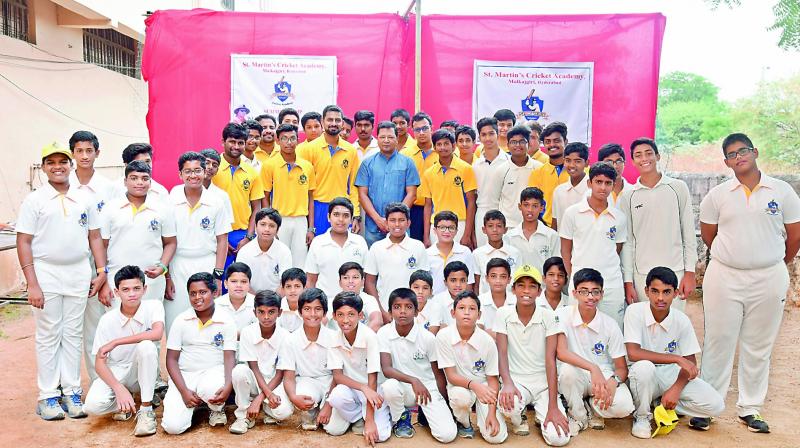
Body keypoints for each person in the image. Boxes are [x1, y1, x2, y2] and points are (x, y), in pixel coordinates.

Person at [698, 133, 800, 433]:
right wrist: (735, 256)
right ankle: (708, 405)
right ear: (726, 161)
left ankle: (750, 408)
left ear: (755, 152)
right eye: (731, 154)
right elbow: (709, 235)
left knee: (758, 344)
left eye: (743, 151)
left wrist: (776, 260)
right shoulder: (717, 195)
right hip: (725, 275)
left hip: (769, 276)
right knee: (719, 340)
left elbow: (794, 236)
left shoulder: (782, 192)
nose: (738, 157)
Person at [17, 142, 109, 420]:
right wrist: (32, 283)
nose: (58, 167)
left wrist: (101, 270)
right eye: (51, 162)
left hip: (79, 271)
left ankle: (71, 392)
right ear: (44, 167)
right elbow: (24, 240)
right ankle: (48, 396)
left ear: (70, 165)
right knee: (48, 334)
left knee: (72, 333)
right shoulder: (34, 200)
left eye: (62, 161)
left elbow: (95, 236)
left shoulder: (84, 198)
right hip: (46, 272)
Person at [625, 267, 725, 438]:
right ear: (646, 291)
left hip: (669, 374)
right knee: (645, 368)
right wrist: (676, 358)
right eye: (655, 291)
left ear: (676, 293)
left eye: (667, 292)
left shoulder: (681, 319)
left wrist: (676, 389)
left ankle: (660, 402)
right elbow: (633, 353)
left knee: (715, 405)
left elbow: (691, 363)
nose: (660, 298)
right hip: (640, 374)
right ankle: (641, 416)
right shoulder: (634, 312)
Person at [494, 265, 570, 445]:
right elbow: (501, 353)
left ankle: (543, 412)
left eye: (532, 286)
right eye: (521, 285)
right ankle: (519, 418)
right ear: (513, 290)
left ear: (539, 291)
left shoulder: (548, 316)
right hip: (517, 381)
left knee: (558, 439)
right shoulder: (503, 313)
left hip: (543, 384)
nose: (526, 291)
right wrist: (507, 383)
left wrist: (553, 406)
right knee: (509, 406)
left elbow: (550, 361)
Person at [84, 266, 163, 436]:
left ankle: (146, 408)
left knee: (147, 346)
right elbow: (99, 363)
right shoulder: (107, 320)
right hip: (117, 370)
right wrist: (118, 389)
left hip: (141, 369)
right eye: (125, 290)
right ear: (117, 292)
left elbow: (157, 333)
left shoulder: (154, 306)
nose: (132, 294)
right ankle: (125, 403)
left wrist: (115, 342)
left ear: (145, 289)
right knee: (92, 406)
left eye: (136, 288)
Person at [555, 268, 635, 435]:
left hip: (601, 379)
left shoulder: (610, 324)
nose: (590, 297)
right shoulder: (562, 315)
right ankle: (578, 415)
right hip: (575, 376)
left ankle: (592, 406)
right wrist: (593, 368)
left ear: (602, 294)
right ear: (574, 293)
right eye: (584, 291)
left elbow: (621, 368)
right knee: (568, 372)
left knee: (624, 407)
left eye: (595, 291)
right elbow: (561, 352)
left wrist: (613, 381)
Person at [620, 137, 697, 311]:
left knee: (672, 326)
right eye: (638, 155)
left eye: (649, 153)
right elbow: (628, 242)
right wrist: (628, 281)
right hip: (642, 274)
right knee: (646, 328)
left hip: (675, 270)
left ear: (658, 156)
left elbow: (688, 233)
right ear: (632, 161)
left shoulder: (678, 188)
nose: (644, 159)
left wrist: (690, 272)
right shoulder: (628, 195)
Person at [161, 272, 237, 434]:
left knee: (212, 389)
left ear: (214, 293)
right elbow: (171, 360)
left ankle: (215, 408)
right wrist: (183, 391)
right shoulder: (180, 320)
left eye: (203, 292)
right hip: (185, 375)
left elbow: (229, 356)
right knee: (173, 427)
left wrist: (228, 385)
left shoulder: (226, 320)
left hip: (213, 372)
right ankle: (193, 407)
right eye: (193, 293)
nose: (197, 297)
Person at [379, 288, 458, 442]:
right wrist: (414, 380)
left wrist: (446, 404)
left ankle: (424, 412)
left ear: (416, 312)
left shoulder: (428, 338)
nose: (402, 311)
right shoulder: (383, 333)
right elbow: (387, 369)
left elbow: (438, 374)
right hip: (400, 389)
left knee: (447, 435)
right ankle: (402, 417)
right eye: (397, 307)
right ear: (390, 312)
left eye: (408, 307)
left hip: (426, 389)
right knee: (389, 386)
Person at [68, 131, 114, 383]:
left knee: (101, 323)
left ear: (98, 152)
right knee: (75, 326)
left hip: (101, 263)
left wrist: (103, 272)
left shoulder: (109, 188)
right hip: (72, 262)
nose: (84, 156)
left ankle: (106, 381)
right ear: (72, 154)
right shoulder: (63, 185)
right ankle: (76, 382)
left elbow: (109, 233)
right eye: (79, 151)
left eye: (89, 151)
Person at [167, 152, 229, 333]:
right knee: (175, 320)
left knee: (207, 320)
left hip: (206, 262)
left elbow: (222, 240)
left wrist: (218, 276)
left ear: (205, 172)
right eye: (188, 171)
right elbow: (165, 241)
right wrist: (167, 276)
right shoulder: (170, 200)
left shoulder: (216, 202)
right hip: (177, 263)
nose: (193, 175)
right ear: (180, 174)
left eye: (197, 170)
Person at [560, 163, 627, 329]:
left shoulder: (619, 217)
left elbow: (617, 249)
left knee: (613, 330)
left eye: (608, 183)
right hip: (580, 284)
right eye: (598, 182)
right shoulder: (572, 213)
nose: (603, 187)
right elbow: (565, 250)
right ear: (590, 183)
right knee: (577, 331)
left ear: (613, 185)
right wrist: (576, 276)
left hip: (611, 284)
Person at [436, 291, 507, 443]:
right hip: (460, 387)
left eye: (472, 309)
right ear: (453, 313)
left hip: (484, 387)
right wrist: (474, 386)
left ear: (479, 314)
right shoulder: (444, 336)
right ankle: (464, 423)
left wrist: (492, 414)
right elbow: (451, 376)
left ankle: (487, 416)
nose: (467, 313)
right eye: (461, 308)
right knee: (460, 397)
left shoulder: (487, 341)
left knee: (496, 438)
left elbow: (493, 379)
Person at [102, 161, 177, 304]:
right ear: (125, 181)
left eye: (144, 178)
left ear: (150, 181)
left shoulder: (162, 209)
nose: (139, 183)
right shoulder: (110, 208)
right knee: (120, 324)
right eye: (134, 178)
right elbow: (102, 246)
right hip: (117, 279)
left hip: (151, 281)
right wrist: (104, 280)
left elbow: (170, 243)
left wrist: (162, 267)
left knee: (150, 324)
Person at [324, 292, 392, 444]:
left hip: (375, 391)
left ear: (360, 315)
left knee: (380, 436)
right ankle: (358, 418)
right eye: (340, 314)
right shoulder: (334, 338)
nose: (345, 320)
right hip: (353, 389)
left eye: (351, 314)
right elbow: (338, 376)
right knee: (333, 427)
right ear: (334, 316)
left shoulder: (370, 337)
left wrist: (370, 420)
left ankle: (373, 416)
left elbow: (372, 380)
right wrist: (363, 388)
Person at [230, 290, 293, 434]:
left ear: (280, 312)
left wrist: (263, 397)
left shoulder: (285, 336)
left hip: (275, 383)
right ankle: (243, 416)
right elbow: (253, 367)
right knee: (239, 371)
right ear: (254, 312)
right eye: (261, 312)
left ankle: (264, 406)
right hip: (253, 379)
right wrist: (265, 395)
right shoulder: (247, 332)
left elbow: (279, 373)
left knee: (284, 413)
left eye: (271, 312)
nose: (266, 317)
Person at [276, 288, 336, 431]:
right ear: (300, 312)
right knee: (284, 407)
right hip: (307, 381)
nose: (313, 314)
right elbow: (289, 377)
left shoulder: (334, 338)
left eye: (318, 309)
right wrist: (293, 397)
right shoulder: (291, 340)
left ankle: (327, 410)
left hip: (332, 383)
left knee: (334, 429)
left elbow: (339, 376)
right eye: (307, 309)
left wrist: (328, 404)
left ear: (325, 313)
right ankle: (310, 411)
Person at [297, 105, 362, 236]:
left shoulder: (351, 151)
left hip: (342, 208)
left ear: (342, 123)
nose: (333, 123)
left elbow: (354, 185)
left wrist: (355, 214)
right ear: (322, 122)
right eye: (329, 120)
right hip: (316, 208)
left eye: (337, 120)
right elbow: (300, 185)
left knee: (341, 250)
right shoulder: (307, 149)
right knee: (317, 250)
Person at [356, 121, 419, 246]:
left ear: (397, 139)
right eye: (382, 137)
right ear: (377, 139)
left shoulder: (408, 163)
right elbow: (362, 195)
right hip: (374, 226)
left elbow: (412, 194)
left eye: (390, 137)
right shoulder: (366, 164)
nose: (386, 140)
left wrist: (396, 220)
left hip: (400, 227)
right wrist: (378, 220)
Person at [261, 123, 316, 268]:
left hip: (300, 220)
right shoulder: (269, 165)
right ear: (277, 141)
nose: (289, 142)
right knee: (278, 261)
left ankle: (298, 290)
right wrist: (271, 222)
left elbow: (311, 198)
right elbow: (265, 196)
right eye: (284, 139)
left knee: (300, 263)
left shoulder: (307, 166)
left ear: (298, 140)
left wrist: (311, 228)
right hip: (280, 220)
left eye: (292, 138)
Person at [364, 202, 430, 319]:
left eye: (401, 220)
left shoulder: (418, 246)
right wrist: (382, 312)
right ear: (386, 223)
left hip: (413, 312)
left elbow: (424, 282)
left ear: (408, 223)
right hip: (386, 309)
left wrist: (417, 310)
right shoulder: (377, 248)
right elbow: (370, 282)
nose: (397, 224)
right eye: (393, 220)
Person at [212, 122, 264, 269]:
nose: (236, 146)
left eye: (240, 142)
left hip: (242, 234)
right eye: (232, 142)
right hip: (216, 233)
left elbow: (256, 208)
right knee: (219, 281)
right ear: (223, 142)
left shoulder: (252, 172)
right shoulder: (212, 168)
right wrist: (220, 239)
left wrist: (248, 237)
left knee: (243, 279)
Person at [420, 129, 478, 247]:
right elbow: (428, 205)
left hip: (459, 223)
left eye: (446, 143)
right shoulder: (429, 173)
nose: (443, 147)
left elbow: (471, 203)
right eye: (439, 144)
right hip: (436, 225)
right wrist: (426, 235)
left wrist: (467, 234)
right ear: (435, 148)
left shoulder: (466, 169)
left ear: (453, 146)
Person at [305, 197, 368, 296]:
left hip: (354, 303)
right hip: (326, 304)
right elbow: (311, 281)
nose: (341, 219)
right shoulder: (318, 243)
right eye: (336, 215)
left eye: (346, 215)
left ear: (351, 220)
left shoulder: (360, 242)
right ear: (329, 217)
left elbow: (366, 278)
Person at [235, 207, 292, 293]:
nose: (266, 229)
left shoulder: (284, 251)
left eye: (272, 226)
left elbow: (285, 283)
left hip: (276, 300)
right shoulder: (245, 251)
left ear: (277, 230)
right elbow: (241, 282)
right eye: (263, 224)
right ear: (256, 226)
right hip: (251, 299)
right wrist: (257, 302)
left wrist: (273, 301)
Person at [473, 117, 510, 247]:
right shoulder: (475, 165)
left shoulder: (508, 162)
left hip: (504, 215)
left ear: (498, 133)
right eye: (483, 135)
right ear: (479, 137)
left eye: (491, 133)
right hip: (481, 215)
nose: (487, 138)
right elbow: (473, 198)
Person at [400, 112, 437, 241]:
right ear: (412, 131)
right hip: (413, 208)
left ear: (432, 128)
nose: (421, 133)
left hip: (436, 208)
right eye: (417, 129)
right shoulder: (405, 154)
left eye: (425, 128)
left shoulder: (442, 152)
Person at [498, 125, 543, 228]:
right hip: (508, 226)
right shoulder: (500, 170)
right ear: (508, 145)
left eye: (522, 141)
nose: (518, 145)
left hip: (534, 226)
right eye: (513, 142)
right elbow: (495, 200)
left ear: (528, 144)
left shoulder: (539, 168)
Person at [505, 187, 559, 272]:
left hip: (542, 285)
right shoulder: (509, 236)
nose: (530, 210)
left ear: (541, 208)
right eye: (526, 205)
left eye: (535, 206)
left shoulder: (551, 235)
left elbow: (556, 266)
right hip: (517, 284)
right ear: (520, 206)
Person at [527, 122, 570, 226]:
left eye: (556, 141)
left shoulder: (577, 171)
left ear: (565, 142)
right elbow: (532, 204)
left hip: (575, 229)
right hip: (546, 229)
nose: (552, 145)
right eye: (547, 142)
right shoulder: (537, 173)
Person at [427, 211, 477, 295]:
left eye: (451, 228)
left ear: (457, 230)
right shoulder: (427, 254)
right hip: (434, 302)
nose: (447, 231)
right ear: (435, 230)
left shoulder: (465, 252)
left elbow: (469, 283)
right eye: (442, 227)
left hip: (458, 303)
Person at [474, 210, 520, 295]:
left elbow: (518, 281)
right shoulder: (477, 254)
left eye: (499, 226)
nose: (495, 230)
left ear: (505, 229)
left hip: (510, 302)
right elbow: (476, 284)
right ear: (484, 229)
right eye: (490, 226)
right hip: (485, 303)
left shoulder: (515, 253)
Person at [551, 142, 589, 231]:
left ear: (587, 163)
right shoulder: (559, 191)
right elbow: (555, 222)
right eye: (568, 160)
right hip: (562, 243)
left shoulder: (593, 190)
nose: (572, 165)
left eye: (577, 161)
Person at [336, 262, 383, 332]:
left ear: (362, 282)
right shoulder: (333, 301)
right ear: (340, 282)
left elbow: (377, 321)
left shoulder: (370, 300)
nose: (350, 281)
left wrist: (360, 338)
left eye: (355, 277)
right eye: (346, 278)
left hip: (363, 341)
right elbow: (322, 321)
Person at [214, 262, 257, 334]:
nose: (239, 285)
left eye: (243, 282)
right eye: (234, 281)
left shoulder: (258, 304)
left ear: (249, 284)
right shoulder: (216, 305)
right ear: (226, 283)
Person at [477, 258, 514, 339]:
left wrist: (488, 332)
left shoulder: (516, 301)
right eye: (493, 276)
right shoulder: (479, 301)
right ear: (487, 278)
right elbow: (477, 331)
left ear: (509, 279)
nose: (498, 280)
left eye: (503, 277)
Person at [199, 148, 235, 228]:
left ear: (217, 170)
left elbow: (227, 225)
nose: (210, 167)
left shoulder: (222, 196)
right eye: (206, 163)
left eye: (214, 165)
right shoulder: (182, 192)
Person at [431, 260, 471, 328]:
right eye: (453, 280)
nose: (458, 285)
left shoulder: (473, 301)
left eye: (462, 280)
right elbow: (435, 327)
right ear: (445, 282)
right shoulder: (437, 300)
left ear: (467, 281)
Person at [596, 143, 632, 208]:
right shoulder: (593, 193)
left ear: (624, 163)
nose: (615, 166)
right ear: (600, 165)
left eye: (618, 161)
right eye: (609, 162)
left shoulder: (633, 192)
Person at [409, 269, 442, 334]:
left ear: (431, 292)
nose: (420, 292)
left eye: (425, 288)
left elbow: (431, 336)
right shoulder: (404, 306)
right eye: (416, 287)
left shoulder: (435, 307)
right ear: (409, 289)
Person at [277, 268, 306, 333]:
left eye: (297, 286)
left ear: (304, 288)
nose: (292, 290)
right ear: (283, 289)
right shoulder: (276, 307)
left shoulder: (310, 308)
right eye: (288, 286)